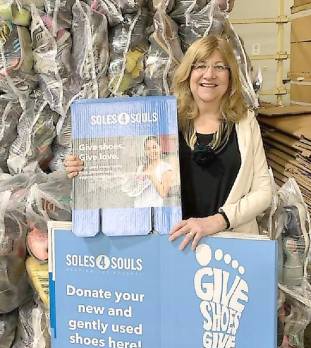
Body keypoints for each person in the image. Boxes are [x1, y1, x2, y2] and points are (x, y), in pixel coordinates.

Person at [65, 35, 272, 250]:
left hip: (231, 244)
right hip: (174, 245)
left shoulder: (245, 123)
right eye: (200, 65)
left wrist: (217, 221)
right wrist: (85, 165)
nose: (209, 74)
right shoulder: (165, 120)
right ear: (188, 73)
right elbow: (123, 168)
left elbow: (263, 192)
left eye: (219, 67)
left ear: (230, 76)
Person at [125, 135, 174, 208]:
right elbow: (136, 188)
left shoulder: (166, 167)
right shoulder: (140, 168)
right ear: (145, 151)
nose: (151, 151)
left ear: (160, 148)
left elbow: (163, 194)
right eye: (148, 149)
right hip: (138, 206)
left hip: (154, 209)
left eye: (154, 147)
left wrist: (152, 175)